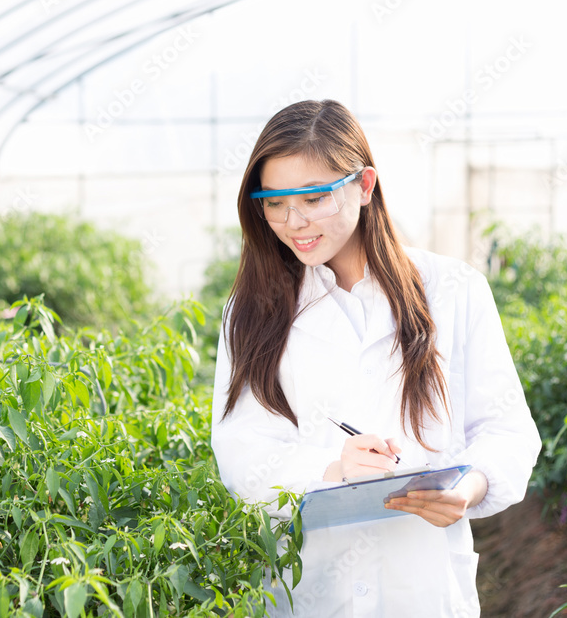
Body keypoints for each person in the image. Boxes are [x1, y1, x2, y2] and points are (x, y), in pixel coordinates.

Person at [210, 99, 541, 617]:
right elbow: (241, 449)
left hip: (423, 584)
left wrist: (468, 488)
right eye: (273, 202)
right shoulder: (251, 311)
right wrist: (332, 469)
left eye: (314, 197)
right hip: (306, 589)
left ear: (364, 187)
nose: (293, 221)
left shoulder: (453, 290)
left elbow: (506, 430)